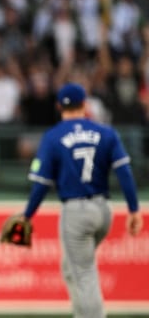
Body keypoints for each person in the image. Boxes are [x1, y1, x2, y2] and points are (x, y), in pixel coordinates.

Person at [17, 82, 143, 318]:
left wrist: (27, 215)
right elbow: (124, 171)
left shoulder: (53, 137)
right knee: (70, 267)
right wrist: (134, 209)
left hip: (75, 211)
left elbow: (41, 184)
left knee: (83, 272)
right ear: (84, 105)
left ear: (58, 107)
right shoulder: (106, 132)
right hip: (103, 210)